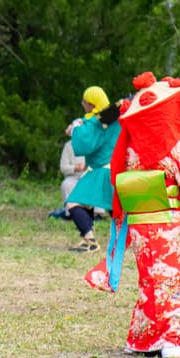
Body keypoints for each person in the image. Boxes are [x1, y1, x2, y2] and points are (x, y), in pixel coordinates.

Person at [85, 73, 180, 358]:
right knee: (175, 282)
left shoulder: (129, 149)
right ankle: (171, 341)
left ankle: (142, 340)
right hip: (168, 227)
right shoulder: (171, 148)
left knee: (150, 283)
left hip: (140, 226)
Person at [66, 86, 120, 252]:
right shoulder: (114, 116)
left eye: (85, 102)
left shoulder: (97, 123)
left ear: (92, 105)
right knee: (109, 207)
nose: (83, 104)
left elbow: (86, 142)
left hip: (101, 171)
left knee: (74, 203)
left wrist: (75, 128)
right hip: (110, 169)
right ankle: (121, 238)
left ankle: (90, 241)